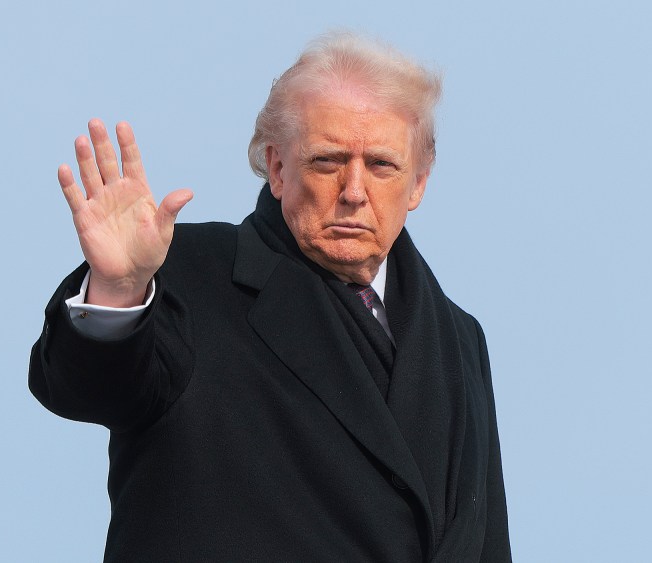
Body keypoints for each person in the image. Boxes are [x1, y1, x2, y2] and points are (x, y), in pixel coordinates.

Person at [30, 32, 511, 562]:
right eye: (327, 162)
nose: (354, 191)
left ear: (418, 182)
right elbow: (91, 390)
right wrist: (120, 289)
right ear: (278, 168)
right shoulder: (183, 275)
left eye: (381, 165)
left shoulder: (460, 338)